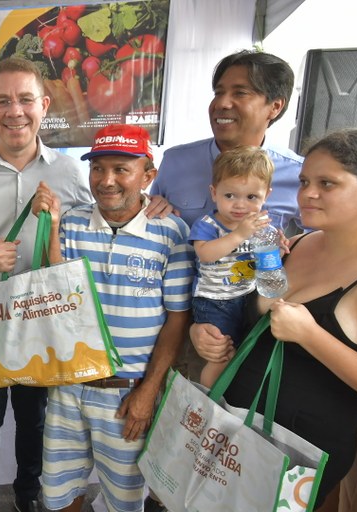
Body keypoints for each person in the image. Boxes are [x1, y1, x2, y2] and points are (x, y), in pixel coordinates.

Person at [0, 56, 92, 512]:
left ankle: (29, 497)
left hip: (43, 318)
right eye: (2, 101)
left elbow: (87, 239)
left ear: (44, 105)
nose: (15, 112)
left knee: (35, 419)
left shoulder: (68, 172)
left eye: (25, 99)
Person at [193, 129, 357, 509]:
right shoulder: (293, 244)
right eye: (304, 181)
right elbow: (245, 300)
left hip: (298, 452)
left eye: (327, 183)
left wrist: (310, 335)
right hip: (233, 432)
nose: (308, 193)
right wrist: (201, 330)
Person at [32, 124, 194, 512]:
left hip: (128, 394)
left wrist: (148, 391)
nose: (106, 181)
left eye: (121, 169)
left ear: (147, 176)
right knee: (59, 494)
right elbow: (53, 291)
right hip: (69, 385)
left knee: (125, 501)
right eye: (98, 169)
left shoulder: (171, 233)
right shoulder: (71, 224)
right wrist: (52, 226)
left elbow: (177, 319)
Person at [148, 50, 304, 384]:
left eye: (240, 93)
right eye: (219, 92)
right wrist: (150, 206)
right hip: (175, 331)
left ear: (275, 106)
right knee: (181, 423)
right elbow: (152, 231)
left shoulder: (299, 174)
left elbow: (324, 252)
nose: (222, 102)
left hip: (255, 334)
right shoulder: (176, 161)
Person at [190, 146, 275, 387]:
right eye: (230, 196)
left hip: (247, 297)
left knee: (244, 355)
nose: (240, 205)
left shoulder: (261, 226)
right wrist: (239, 235)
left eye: (251, 197)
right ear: (214, 193)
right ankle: (210, 402)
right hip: (214, 301)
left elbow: (266, 262)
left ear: (266, 195)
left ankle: (232, 402)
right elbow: (205, 254)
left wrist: (279, 246)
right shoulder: (207, 224)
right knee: (221, 356)